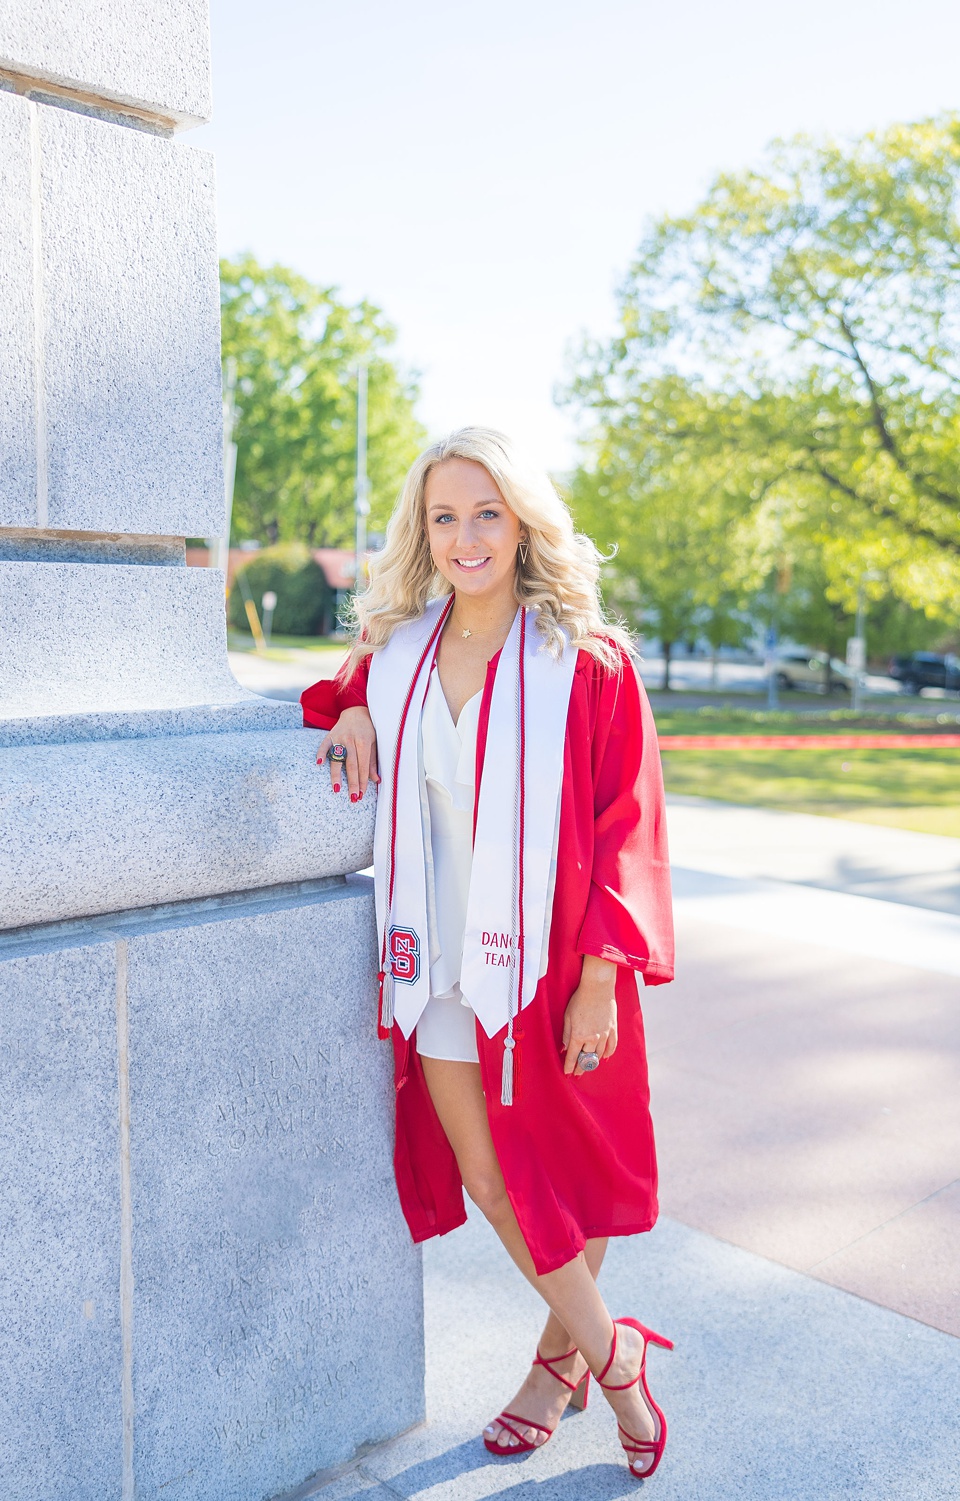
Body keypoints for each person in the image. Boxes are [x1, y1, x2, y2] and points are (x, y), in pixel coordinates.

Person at [302, 428, 675, 1479]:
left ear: (523, 523)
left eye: (486, 514)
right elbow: (331, 699)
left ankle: (547, 1377)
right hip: (437, 964)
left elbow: (626, 821)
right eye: (443, 516)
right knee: (494, 1175)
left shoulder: (586, 661)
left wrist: (605, 972)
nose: (465, 537)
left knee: (572, 1178)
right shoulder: (400, 654)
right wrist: (348, 721)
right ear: (422, 533)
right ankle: (619, 1357)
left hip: (560, 963)